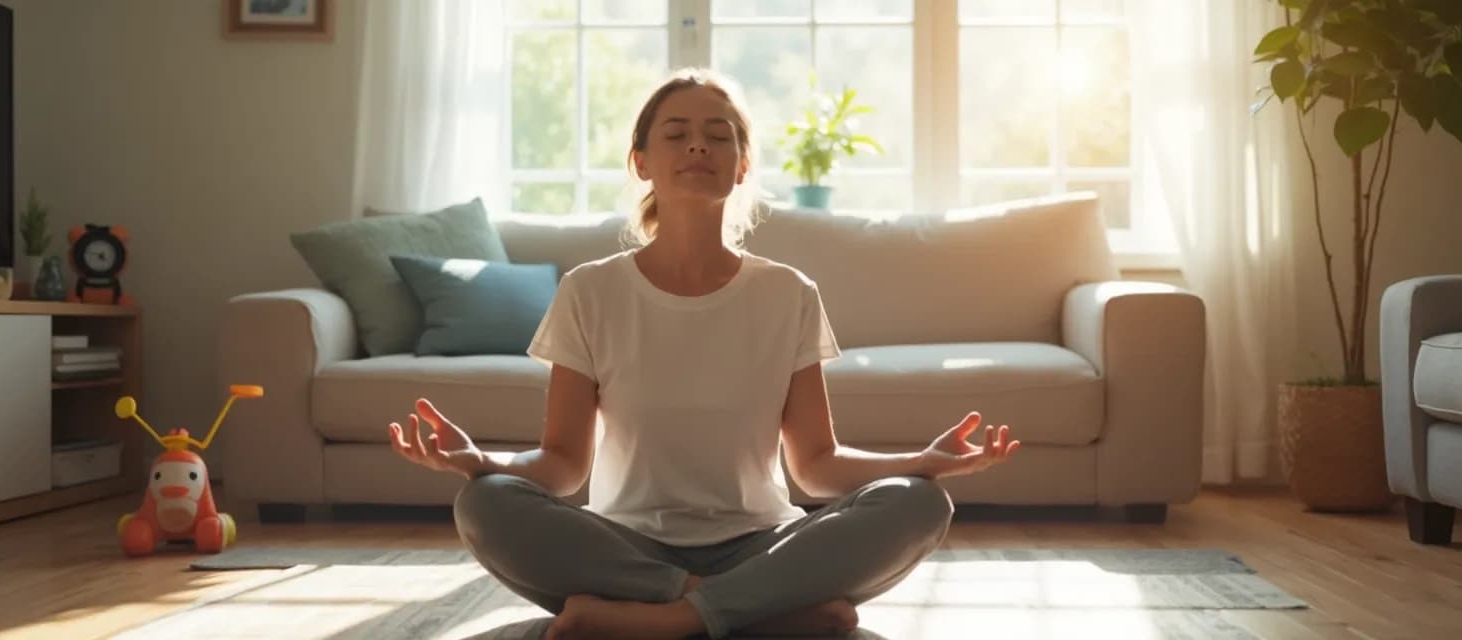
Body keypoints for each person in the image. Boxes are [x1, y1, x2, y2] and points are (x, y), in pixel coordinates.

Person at [388, 68, 1021, 640]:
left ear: (742, 165)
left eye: (720, 136)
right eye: (677, 133)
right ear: (641, 161)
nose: (699, 146)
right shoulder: (591, 290)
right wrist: (480, 461)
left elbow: (818, 466)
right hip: (627, 547)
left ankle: (669, 621)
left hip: (762, 544)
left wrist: (921, 461)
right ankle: (758, 615)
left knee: (919, 502)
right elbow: (562, 466)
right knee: (484, 502)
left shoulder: (788, 293)